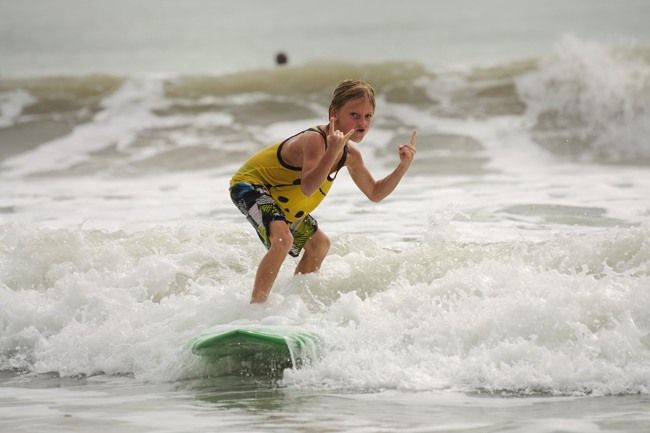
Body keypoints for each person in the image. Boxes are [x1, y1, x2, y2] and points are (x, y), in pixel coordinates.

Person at [229, 80, 417, 303]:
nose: (362, 123)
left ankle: (294, 304)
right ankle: (256, 308)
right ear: (333, 114)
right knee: (282, 240)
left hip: (283, 198)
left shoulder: (351, 155)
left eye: (368, 116)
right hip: (250, 185)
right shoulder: (314, 140)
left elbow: (375, 193)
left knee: (320, 245)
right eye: (354, 115)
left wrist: (403, 166)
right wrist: (332, 152)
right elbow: (308, 187)